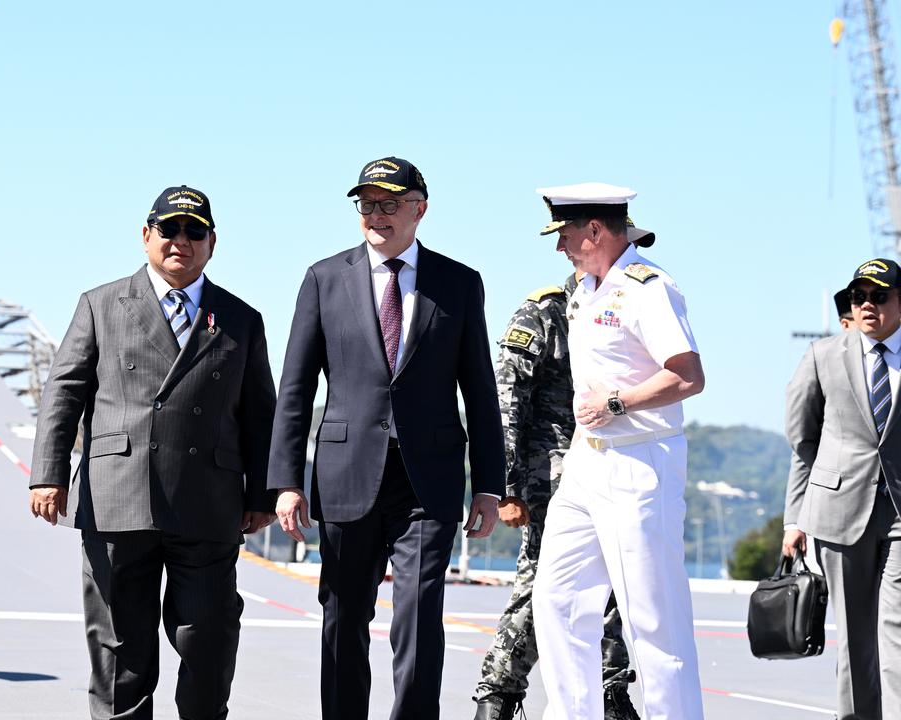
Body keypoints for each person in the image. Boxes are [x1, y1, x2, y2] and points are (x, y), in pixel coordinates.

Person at [28, 185, 277, 720]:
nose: (180, 241)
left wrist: (262, 494)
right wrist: (47, 474)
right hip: (118, 499)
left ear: (213, 243)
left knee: (208, 641)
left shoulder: (242, 319)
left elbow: (261, 414)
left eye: (194, 231)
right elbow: (63, 392)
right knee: (121, 654)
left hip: (207, 504)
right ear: (146, 236)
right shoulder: (100, 304)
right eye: (168, 229)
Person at [269, 157, 504, 720]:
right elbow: (295, 388)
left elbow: (480, 390)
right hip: (347, 474)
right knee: (343, 615)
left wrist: (491, 485)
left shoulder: (459, 283)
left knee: (420, 614)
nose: (377, 215)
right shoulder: (324, 279)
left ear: (420, 208)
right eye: (367, 204)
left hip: (429, 480)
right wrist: (284, 482)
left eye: (390, 203)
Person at [530, 183, 705, 720]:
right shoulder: (586, 288)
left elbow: (688, 376)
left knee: (653, 621)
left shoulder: (648, 288)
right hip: (588, 462)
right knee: (556, 601)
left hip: (639, 461)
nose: (560, 247)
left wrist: (617, 401)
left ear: (595, 231)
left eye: (564, 234)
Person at [474, 250, 650, 720]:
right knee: (542, 587)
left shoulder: (630, 311)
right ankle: (498, 695)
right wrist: (507, 487)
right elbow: (506, 403)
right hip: (549, 479)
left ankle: (609, 692)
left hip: (614, 471)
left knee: (611, 586)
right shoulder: (546, 311)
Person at [783, 258, 901, 720]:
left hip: (899, 516)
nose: (868, 305)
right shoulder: (822, 355)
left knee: (895, 629)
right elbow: (801, 438)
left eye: (880, 296)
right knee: (854, 637)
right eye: (859, 297)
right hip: (839, 511)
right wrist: (799, 514)